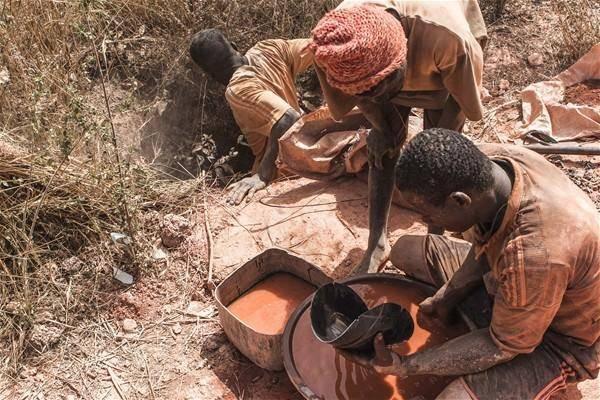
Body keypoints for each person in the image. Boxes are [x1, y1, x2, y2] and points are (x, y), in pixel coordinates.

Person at [342, 129, 600, 400]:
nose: (424, 220)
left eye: (428, 214)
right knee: (405, 251)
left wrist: (406, 365)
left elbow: (502, 346)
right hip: (516, 286)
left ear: (459, 200)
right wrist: (448, 294)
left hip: (558, 342)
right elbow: (488, 237)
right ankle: (481, 313)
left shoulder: (535, 255)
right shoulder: (491, 164)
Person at [309, 0, 487, 274]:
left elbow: (461, 103)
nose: (374, 98)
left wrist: (435, 148)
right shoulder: (333, 46)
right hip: (394, 70)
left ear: (402, 57)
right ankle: (376, 244)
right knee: (381, 147)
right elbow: (363, 95)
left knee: (439, 162)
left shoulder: (447, 38)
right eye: (365, 92)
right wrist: (382, 129)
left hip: (444, 76)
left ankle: (435, 240)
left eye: (379, 88)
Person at [189, 30, 313, 205]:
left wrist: (262, 175)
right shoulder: (269, 49)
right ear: (234, 46)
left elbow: (288, 118)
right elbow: (318, 46)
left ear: (209, 74)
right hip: (312, 148)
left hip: (284, 173)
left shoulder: (237, 90)